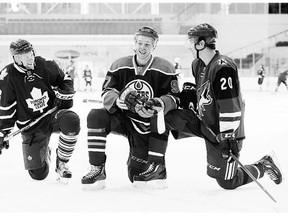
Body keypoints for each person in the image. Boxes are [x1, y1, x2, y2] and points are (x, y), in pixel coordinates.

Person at [181, 23, 282, 190]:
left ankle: (264, 165)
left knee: (228, 182)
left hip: (224, 130)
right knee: (170, 118)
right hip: (206, 122)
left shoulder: (223, 67)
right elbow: (205, 91)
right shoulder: (197, 64)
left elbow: (230, 106)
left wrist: (228, 136)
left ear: (201, 44)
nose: (188, 46)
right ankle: (154, 165)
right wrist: (190, 97)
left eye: (191, 41)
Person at [81, 26, 180, 190]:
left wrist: (159, 103)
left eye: (147, 44)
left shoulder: (166, 68)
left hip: (148, 126)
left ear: (154, 46)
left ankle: (157, 168)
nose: (143, 47)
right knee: (96, 115)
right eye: (140, 43)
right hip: (124, 119)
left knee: (136, 175)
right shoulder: (119, 65)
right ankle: (97, 169)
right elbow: (107, 90)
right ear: (134, 43)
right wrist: (116, 100)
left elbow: (176, 97)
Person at [0, 39, 80, 184]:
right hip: (31, 125)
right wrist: (2, 132)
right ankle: (45, 152)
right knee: (38, 175)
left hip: (51, 115)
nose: (30, 57)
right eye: (25, 55)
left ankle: (62, 162)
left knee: (71, 120)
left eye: (30, 53)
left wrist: (65, 94)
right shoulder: (7, 75)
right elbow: (6, 107)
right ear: (16, 58)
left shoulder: (44, 64)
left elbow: (65, 80)